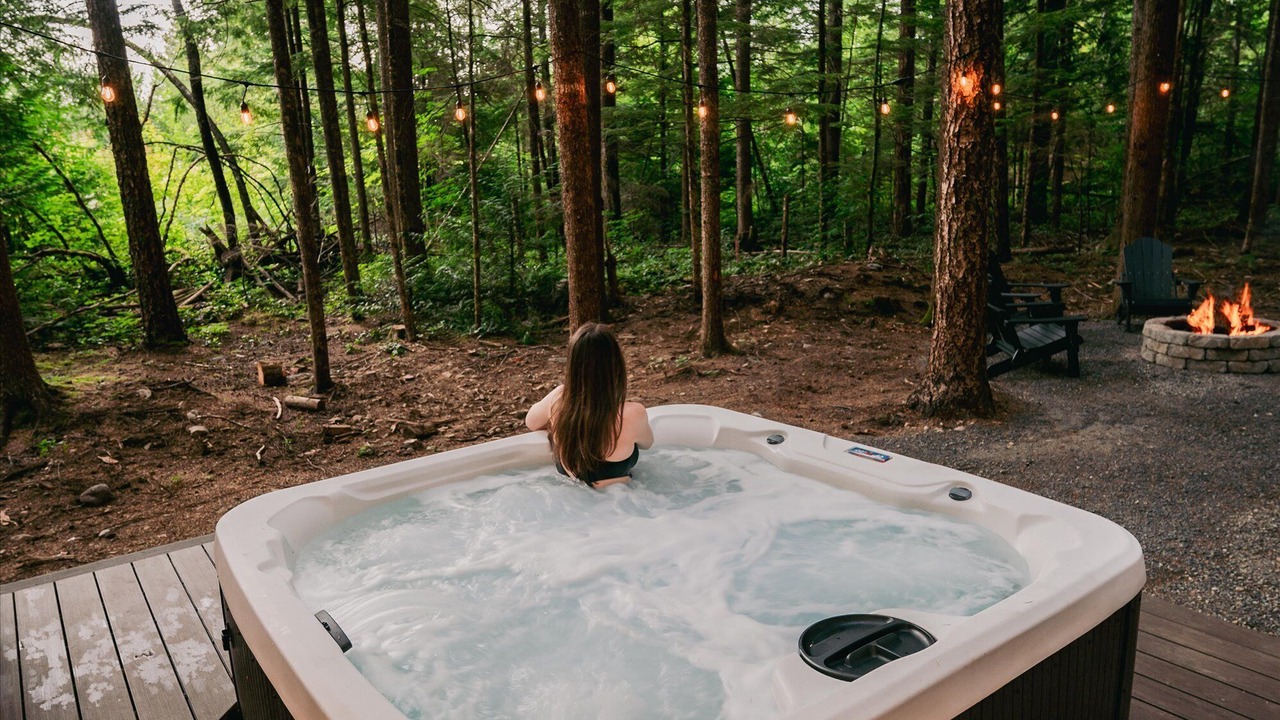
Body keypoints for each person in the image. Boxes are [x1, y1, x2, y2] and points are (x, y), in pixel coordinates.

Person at [526, 323, 654, 488]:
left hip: (570, 497)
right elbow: (647, 444)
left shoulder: (557, 399)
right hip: (622, 501)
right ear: (615, 365)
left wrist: (558, 423)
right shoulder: (632, 414)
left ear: (572, 365)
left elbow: (531, 422)